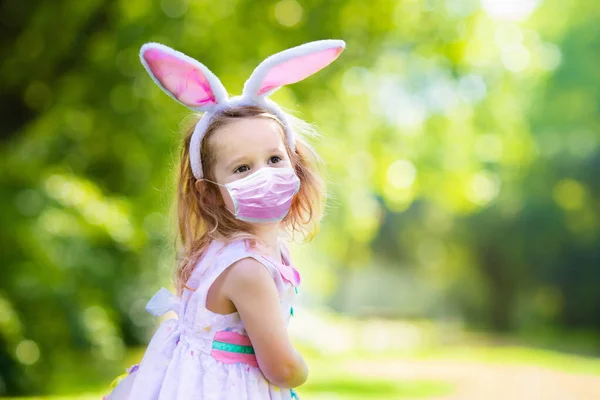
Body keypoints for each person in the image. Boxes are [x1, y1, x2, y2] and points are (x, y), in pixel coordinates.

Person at [103, 39, 346, 399]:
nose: (263, 174)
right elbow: (282, 368)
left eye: (275, 159)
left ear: (295, 161)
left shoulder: (225, 250)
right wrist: (301, 367)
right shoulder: (248, 270)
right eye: (242, 168)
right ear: (209, 192)